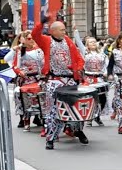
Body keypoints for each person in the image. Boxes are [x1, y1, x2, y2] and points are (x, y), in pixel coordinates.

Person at [32, 18, 86, 150]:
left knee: (75, 108)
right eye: (62, 30)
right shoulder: (46, 41)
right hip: (55, 80)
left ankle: (77, 130)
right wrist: (41, 23)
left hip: (70, 80)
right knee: (53, 110)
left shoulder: (68, 41)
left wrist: (78, 67)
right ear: (53, 31)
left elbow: (78, 57)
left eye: (64, 29)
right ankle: (51, 138)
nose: (64, 32)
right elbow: (35, 35)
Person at [4, 30, 44, 131]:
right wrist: (20, 72)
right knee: (22, 97)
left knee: (42, 96)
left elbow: (43, 62)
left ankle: (40, 117)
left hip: (38, 78)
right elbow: (15, 65)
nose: (32, 40)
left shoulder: (39, 49)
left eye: (32, 38)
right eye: (29, 38)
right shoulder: (18, 50)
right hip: (25, 79)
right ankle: (25, 118)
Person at [74, 30, 109, 126]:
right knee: (91, 98)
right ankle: (90, 117)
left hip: (100, 78)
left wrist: (106, 73)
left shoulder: (102, 54)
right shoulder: (85, 52)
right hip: (89, 79)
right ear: (87, 45)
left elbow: (107, 65)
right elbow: (78, 42)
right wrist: (76, 32)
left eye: (94, 41)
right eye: (90, 42)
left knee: (102, 99)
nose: (93, 43)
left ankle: (97, 115)